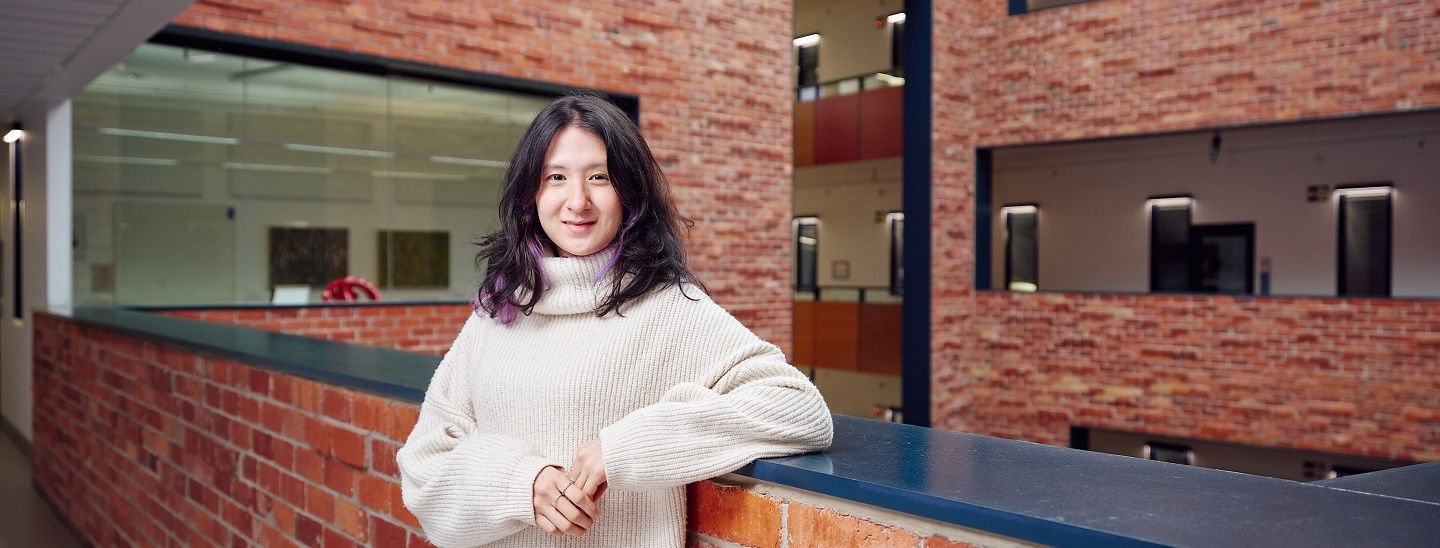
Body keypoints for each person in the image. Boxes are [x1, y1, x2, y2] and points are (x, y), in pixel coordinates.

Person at [396, 94, 834, 547]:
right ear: (532, 193)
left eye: (600, 178)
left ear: (630, 191)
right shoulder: (499, 310)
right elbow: (423, 467)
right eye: (557, 178)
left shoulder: (667, 307)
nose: (577, 201)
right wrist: (516, 483)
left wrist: (629, 447)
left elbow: (799, 408)